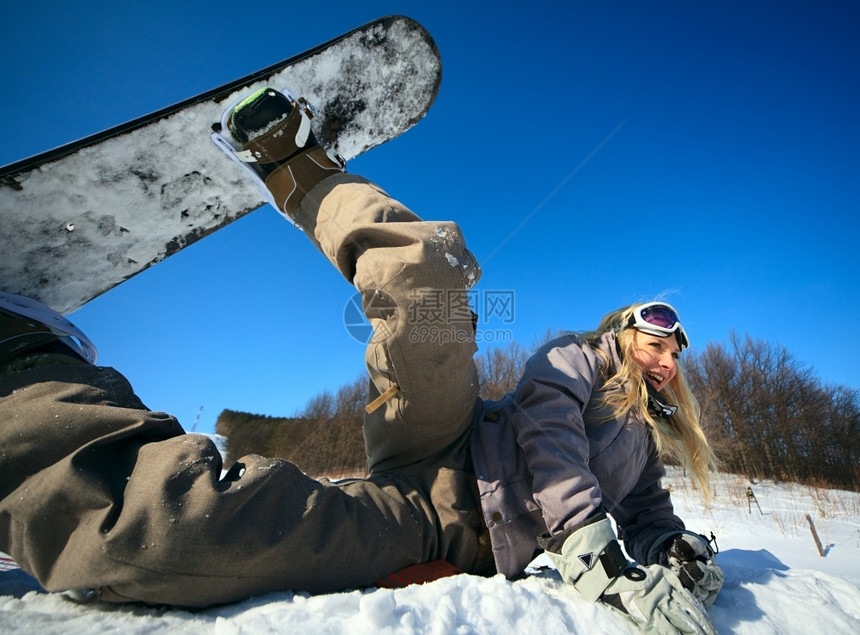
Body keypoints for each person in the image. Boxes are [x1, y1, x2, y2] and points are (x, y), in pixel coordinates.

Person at [0, 87, 722, 633]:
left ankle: (25, 377)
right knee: (433, 277)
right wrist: (593, 549)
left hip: (435, 523)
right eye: (655, 341)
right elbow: (548, 434)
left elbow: (648, 510)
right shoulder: (576, 360)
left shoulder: (641, 437)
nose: (665, 359)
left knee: (185, 535)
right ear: (624, 333)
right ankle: (299, 174)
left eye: (675, 353)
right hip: (449, 434)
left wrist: (674, 547)